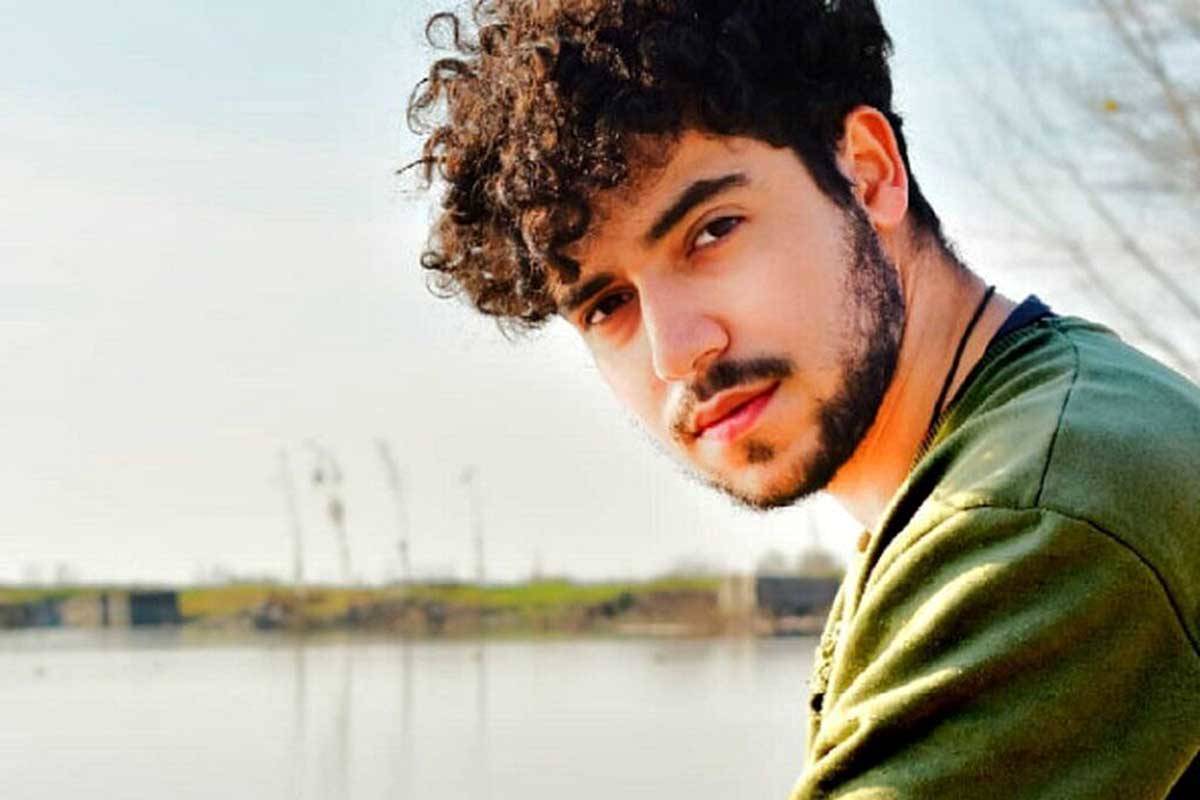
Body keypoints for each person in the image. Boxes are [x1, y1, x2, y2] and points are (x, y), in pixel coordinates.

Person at [405, 1, 1200, 796]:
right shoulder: (1021, 446)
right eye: (608, 305)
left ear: (869, 173)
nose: (675, 352)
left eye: (712, 231)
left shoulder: (1035, 517)